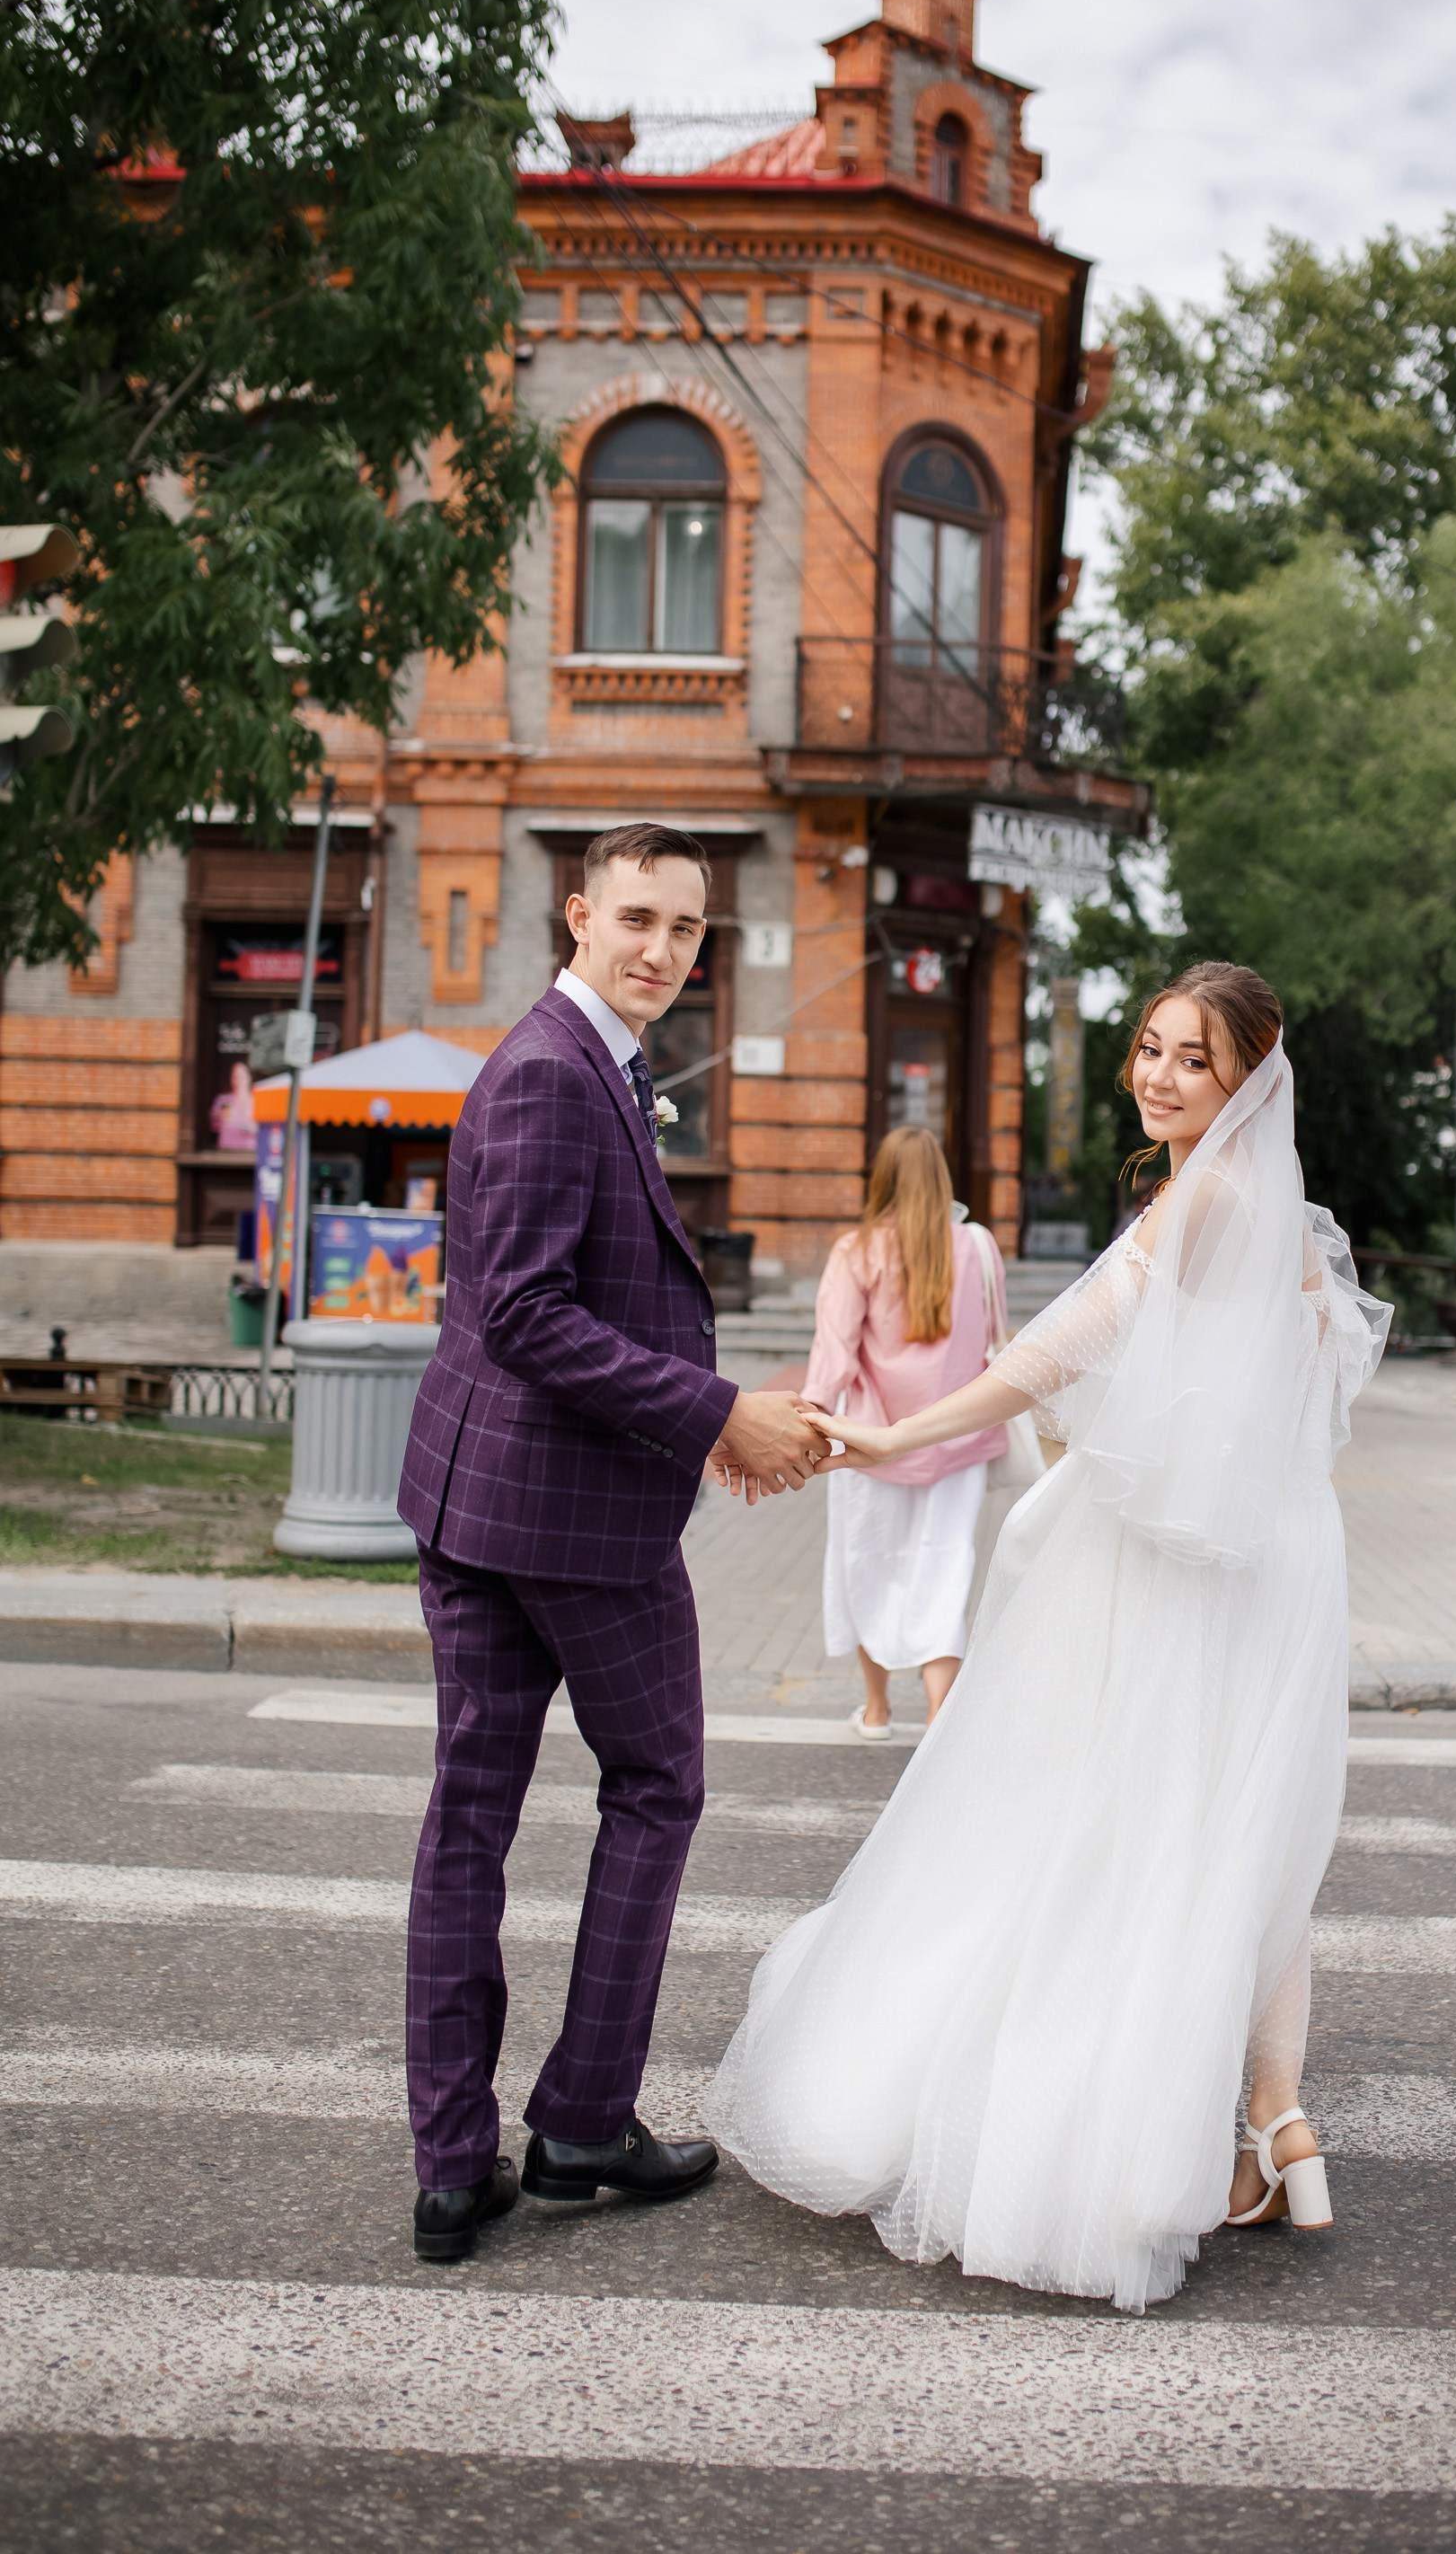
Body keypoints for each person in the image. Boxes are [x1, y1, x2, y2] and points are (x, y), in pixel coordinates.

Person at [706, 961, 1389, 2312]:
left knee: (1095, 1826)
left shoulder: (1200, 1208)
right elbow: (1304, 1384)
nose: (1157, 1074)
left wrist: (895, 1432)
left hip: (1167, 1570)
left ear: (1247, 1076)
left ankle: (1109, 2138)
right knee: (1244, 1830)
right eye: (1149, 1047)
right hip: (1279, 1562)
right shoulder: (1288, 1228)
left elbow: (1057, 1351)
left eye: (1192, 1059)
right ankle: (1279, 2120)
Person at [396, 821, 828, 2265]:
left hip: (486, 1503)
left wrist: (705, 1422)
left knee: (471, 1816)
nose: (660, 950)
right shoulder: (543, 1072)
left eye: (687, 931)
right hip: (566, 1519)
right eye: (636, 918)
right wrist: (719, 1415)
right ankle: (578, 2119)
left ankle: (458, 2168)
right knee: (657, 1783)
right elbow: (522, 1312)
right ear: (578, 915)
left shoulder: (585, 1062)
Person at [803, 1127, 1010, 1738]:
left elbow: (833, 1357)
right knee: (945, 1565)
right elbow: (997, 1339)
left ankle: (876, 1710)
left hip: (871, 1441)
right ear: (942, 1178)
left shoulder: (855, 1251)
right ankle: (940, 1715)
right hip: (957, 1441)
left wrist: (808, 1422)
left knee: (868, 1560)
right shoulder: (978, 1245)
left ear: (883, 1180)